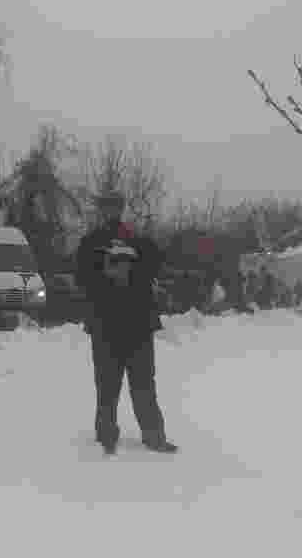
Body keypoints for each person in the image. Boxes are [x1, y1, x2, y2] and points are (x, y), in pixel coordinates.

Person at [76, 190, 177, 455]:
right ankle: (106, 433)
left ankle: (154, 435)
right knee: (107, 385)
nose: (112, 211)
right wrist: (105, 274)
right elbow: (82, 279)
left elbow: (156, 264)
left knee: (144, 384)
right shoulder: (92, 242)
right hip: (106, 325)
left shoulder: (138, 239)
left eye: (116, 206)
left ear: (121, 208)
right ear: (102, 210)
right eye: (107, 207)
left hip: (138, 325)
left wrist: (133, 271)